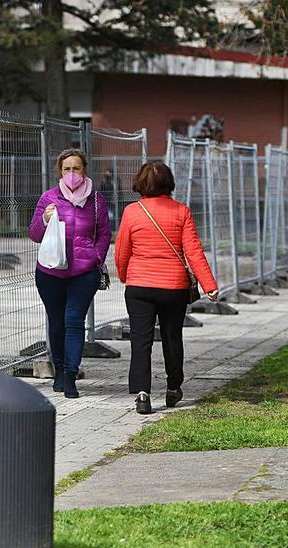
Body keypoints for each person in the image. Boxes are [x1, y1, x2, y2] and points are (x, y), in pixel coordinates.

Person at [114, 162, 218, 414]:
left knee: (141, 340)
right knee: (172, 337)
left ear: (140, 183)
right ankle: (173, 387)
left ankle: (142, 393)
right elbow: (193, 251)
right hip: (173, 287)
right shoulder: (181, 211)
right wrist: (209, 285)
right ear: (169, 183)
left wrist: (124, 275)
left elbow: (121, 251)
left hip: (139, 286)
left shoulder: (131, 212)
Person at [28, 148, 111, 398]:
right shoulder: (49, 198)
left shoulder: (96, 200)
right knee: (56, 322)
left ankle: (72, 376)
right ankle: (60, 371)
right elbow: (34, 234)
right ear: (60, 172)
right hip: (51, 272)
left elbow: (105, 233)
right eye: (67, 169)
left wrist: (95, 257)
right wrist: (44, 219)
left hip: (84, 273)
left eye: (76, 168)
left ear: (84, 170)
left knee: (74, 322)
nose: (72, 174)